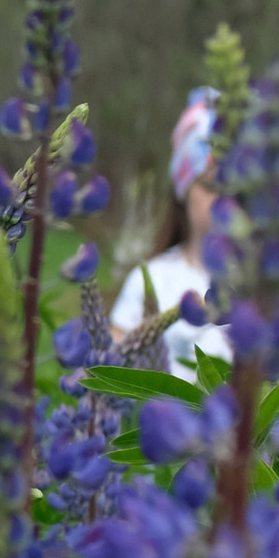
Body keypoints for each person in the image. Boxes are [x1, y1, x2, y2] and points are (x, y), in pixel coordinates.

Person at [111, 87, 232, 370]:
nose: (226, 199)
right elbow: (111, 372)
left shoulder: (273, 281)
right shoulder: (151, 279)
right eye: (212, 185)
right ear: (183, 189)